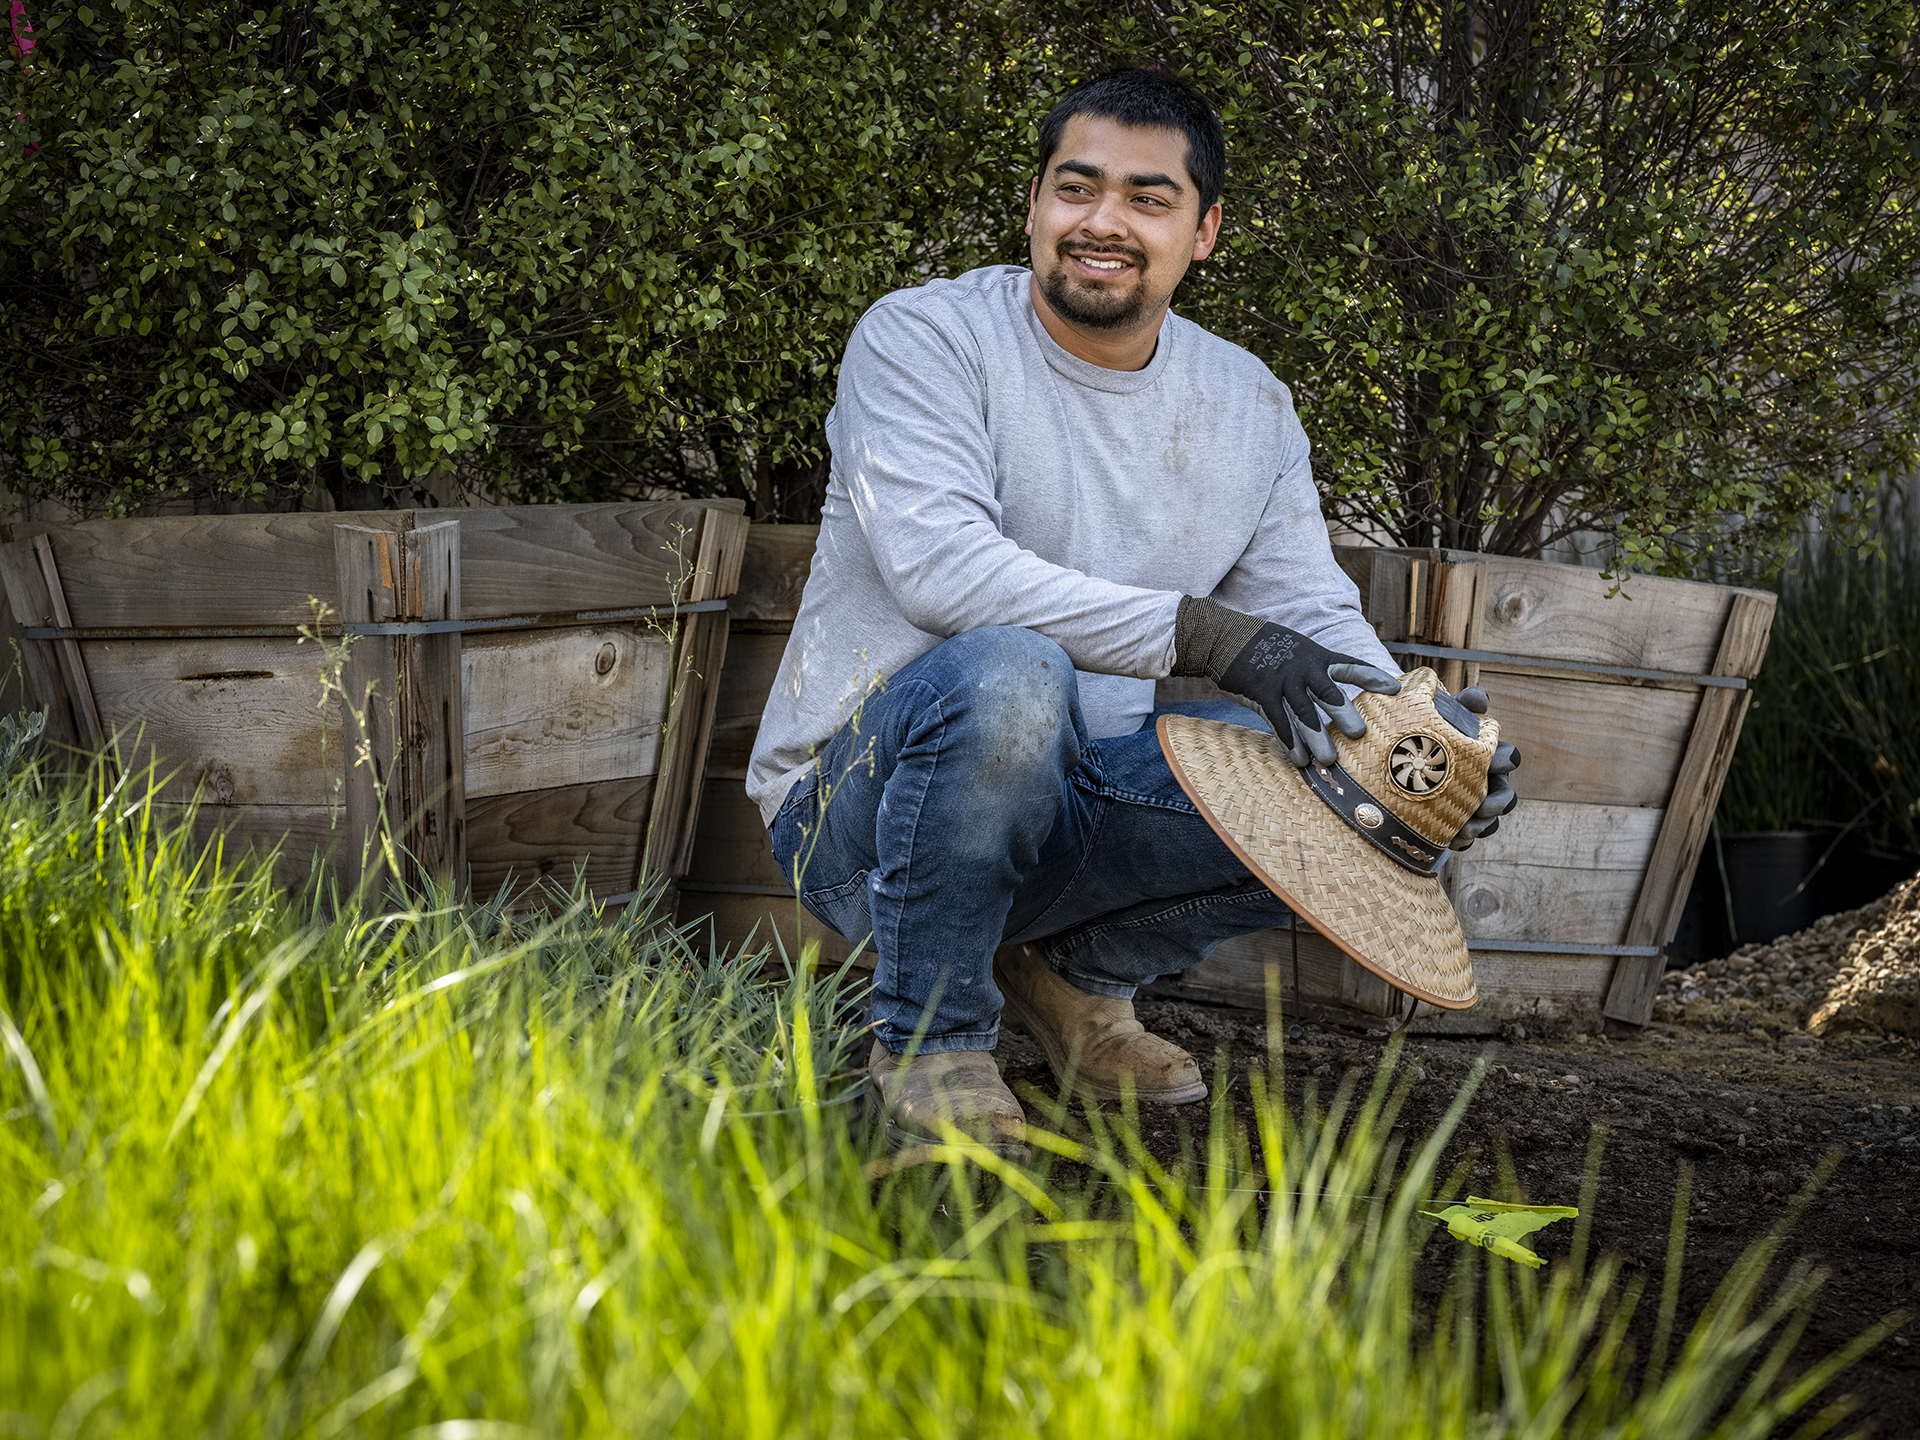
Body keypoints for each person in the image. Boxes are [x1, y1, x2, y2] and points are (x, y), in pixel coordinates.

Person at [747, 67, 1512, 1157]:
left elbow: (1306, 607)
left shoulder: (1247, 402)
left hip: (1075, 808)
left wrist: (1420, 751)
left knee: (1339, 781)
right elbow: (941, 572)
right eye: (1077, 188)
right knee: (1008, 672)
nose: (1102, 223)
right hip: (856, 815)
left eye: (1148, 199)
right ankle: (931, 1039)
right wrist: (1212, 638)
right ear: (1035, 201)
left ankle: (1073, 985)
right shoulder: (922, 338)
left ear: (1203, 232)